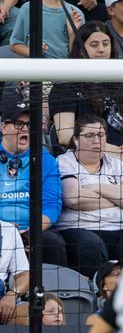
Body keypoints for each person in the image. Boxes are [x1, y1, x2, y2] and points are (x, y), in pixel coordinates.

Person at [50, 22, 123, 193]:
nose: (102, 49)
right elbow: (65, 136)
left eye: (106, 43)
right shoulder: (66, 86)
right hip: (85, 152)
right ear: (81, 50)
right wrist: (112, 150)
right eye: (94, 45)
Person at [56, 115, 123, 277]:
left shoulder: (118, 164)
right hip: (80, 229)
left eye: (101, 135)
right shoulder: (64, 161)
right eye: (90, 136)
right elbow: (74, 198)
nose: (97, 141)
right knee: (91, 245)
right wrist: (118, 196)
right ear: (76, 139)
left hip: (121, 228)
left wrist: (95, 187)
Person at [0, 94, 69, 268]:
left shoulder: (46, 159)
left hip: (31, 229)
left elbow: (51, 206)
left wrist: (29, 233)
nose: (25, 129)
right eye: (19, 124)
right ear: (3, 127)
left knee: (54, 244)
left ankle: (51, 295)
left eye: (30, 125)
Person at [8, 0, 85, 58]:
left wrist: (72, 34)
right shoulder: (27, 8)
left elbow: (79, 55)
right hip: (35, 71)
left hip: (65, 72)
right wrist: (34, 52)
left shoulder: (76, 13)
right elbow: (15, 44)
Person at [0, 218, 29, 324]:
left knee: (25, 312)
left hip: (1, 295)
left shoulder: (9, 230)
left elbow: (24, 275)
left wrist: (12, 294)